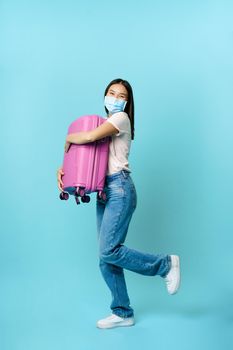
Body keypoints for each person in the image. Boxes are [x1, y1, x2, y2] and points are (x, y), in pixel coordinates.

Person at [57, 78, 181, 329]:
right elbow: (86, 158)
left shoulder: (120, 120)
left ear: (127, 102)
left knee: (109, 250)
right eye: (111, 92)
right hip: (104, 192)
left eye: (120, 95)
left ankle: (165, 264)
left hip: (120, 188)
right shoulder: (105, 125)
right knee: (106, 258)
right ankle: (123, 312)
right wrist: (64, 170)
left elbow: (87, 136)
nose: (114, 97)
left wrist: (69, 137)